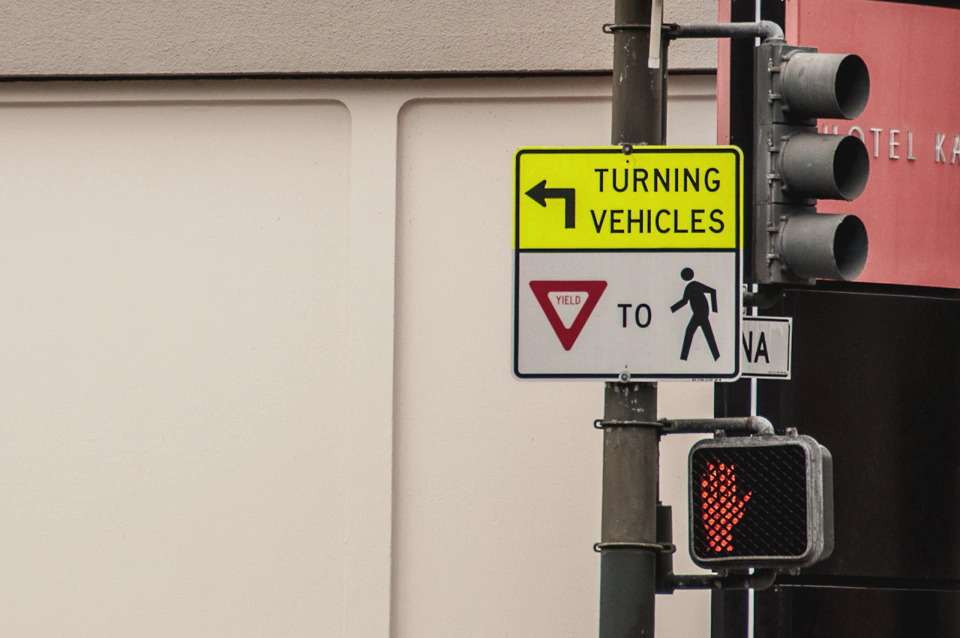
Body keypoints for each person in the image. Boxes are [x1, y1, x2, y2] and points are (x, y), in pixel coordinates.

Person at [670, 267, 720, 361]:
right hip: (698, 313)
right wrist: (672, 309)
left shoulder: (694, 285)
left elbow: (713, 291)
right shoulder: (689, 287)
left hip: (702, 313)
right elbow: (684, 301)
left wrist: (715, 310)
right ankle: (716, 357)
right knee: (703, 333)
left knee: (696, 332)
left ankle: (684, 358)